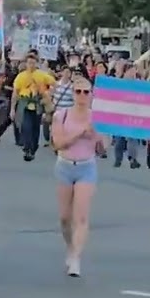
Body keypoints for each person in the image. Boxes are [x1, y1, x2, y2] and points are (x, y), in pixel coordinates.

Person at [49, 74, 103, 277]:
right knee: (64, 218)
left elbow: (103, 146)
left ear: (91, 95)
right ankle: (70, 247)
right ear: (72, 94)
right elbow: (58, 143)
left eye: (86, 92)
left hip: (86, 167)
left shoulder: (96, 117)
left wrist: (97, 135)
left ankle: (76, 257)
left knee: (81, 216)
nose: (82, 95)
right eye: (78, 91)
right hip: (64, 166)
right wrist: (81, 132)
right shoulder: (61, 115)